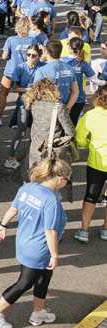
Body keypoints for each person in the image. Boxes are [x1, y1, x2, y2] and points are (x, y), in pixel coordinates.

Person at [0, 158, 72, 328]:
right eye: (68, 180)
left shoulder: (27, 188)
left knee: (44, 278)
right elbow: (50, 231)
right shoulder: (51, 200)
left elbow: (13, 208)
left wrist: (2, 225)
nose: (67, 183)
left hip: (25, 241)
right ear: (60, 179)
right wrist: (54, 255)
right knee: (24, 283)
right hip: (38, 249)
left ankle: (38, 313)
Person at [23, 79, 75, 199]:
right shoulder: (58, 107)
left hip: (35, 150)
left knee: (36, 181)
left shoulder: (34, 104)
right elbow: (70, 131)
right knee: (51, 186)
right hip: (51, 152)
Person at [74, 85, 107, 243]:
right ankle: (106, 230)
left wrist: (90, 145)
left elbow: (79, 138)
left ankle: (84, 231)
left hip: (97, 162)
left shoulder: (90, 115)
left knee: (91, 196)